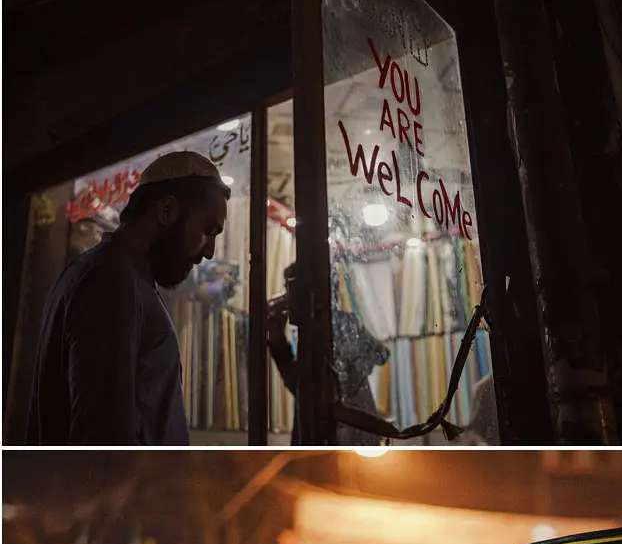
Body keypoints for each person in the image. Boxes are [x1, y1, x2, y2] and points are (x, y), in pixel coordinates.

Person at [25, 151, 230, 445]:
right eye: (208, 231)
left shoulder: (118, 276)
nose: (209, 251)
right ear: (167, 211)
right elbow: (103, 441)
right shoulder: (110, 281)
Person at [266, 261, 390, 447]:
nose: (286, 299)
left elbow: (323, 388)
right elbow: (303, 386)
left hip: (345, 438)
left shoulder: (334, 325)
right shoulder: (314, 328)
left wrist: (279, 343)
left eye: (289, 289)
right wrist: (278, 342)